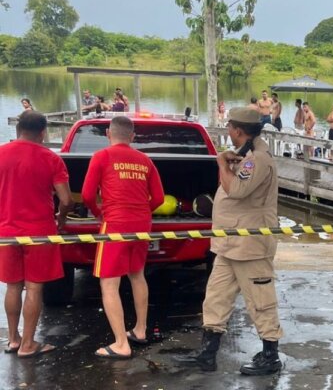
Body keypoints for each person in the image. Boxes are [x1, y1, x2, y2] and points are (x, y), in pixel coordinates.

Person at [175, 107, 283, 375]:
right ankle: (207, 353)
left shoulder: (257, 159)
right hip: (229, 245)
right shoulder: (246, 155)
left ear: (237, 129)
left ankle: (271, 355)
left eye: (230, 128)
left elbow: (236, 190)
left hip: (250, 245)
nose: (228, 133)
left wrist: (222, 164)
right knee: (215, 298)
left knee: (261, 300)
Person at [81, 116, 165, 359]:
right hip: (142, 225)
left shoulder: (102, 156)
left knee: (109, 282)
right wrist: (142, 213)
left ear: (109, 134)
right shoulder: (145, 160)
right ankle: (140, 330)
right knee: (137, 274)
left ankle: (121, 344)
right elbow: (159, 198)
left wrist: (100, 214)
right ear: (133, 136)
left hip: (115, 224)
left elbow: (87, 195)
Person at [0, 111, 73, 358]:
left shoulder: (1, 154)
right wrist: (61, 219)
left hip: (7, 232)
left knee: (12, 286)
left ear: (18, 129)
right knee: (34, 288)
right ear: (43, 133)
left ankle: (13, 339)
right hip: (39, 232)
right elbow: (65, 199)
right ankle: (28, 344)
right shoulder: (50, 159)